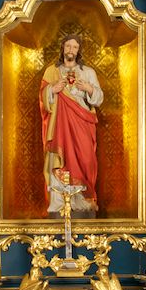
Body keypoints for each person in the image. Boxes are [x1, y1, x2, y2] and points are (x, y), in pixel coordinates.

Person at [40, 25, 103, 217]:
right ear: (63, 48)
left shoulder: (88, 72)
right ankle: (59, 203)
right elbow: (42, 98)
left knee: (86, 159)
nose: (71, 50)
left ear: (78, 50)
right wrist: (52, 90)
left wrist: (89, 89)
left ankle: (83, 201)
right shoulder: (52, 71)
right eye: (68, 46)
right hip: (60, 126)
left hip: (82, 123)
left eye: (75, 47)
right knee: (59, 160)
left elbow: (99, 98)